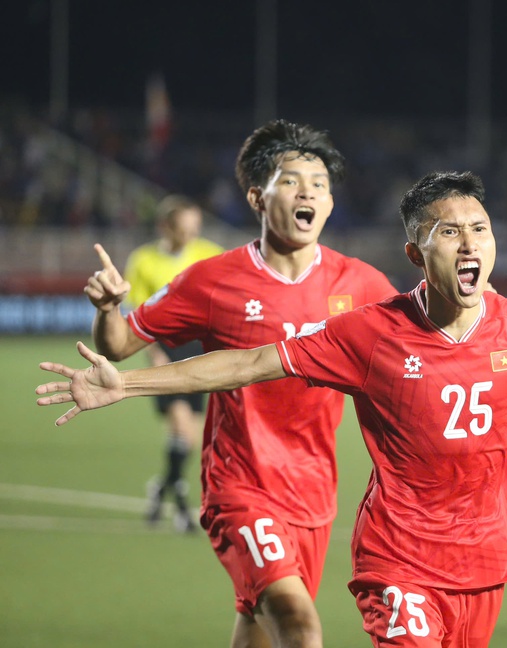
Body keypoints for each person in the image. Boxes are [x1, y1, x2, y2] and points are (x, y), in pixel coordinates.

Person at [37, 170, 507, 648]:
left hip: (486, 562)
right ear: (417, 254)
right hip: (399, 562)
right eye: (450, 232)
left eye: (480, 228)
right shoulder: (370, 332)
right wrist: (126, 383)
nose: (470, 242)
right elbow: (249, 361)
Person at [81, 120, 398, 648]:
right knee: (299, 627)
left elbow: (420, 352)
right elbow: (118, 344)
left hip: (315, 493)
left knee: (259, 630)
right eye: (293, 181)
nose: (309, 193)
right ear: (257, 196)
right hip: (240, 486)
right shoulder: (213, 280)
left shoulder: (361, 284)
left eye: (320, 184)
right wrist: (110, 308)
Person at [99, 194, 223, 532]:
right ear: (165, 227)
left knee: (188, 437)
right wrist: (153, 355)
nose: (191, 235)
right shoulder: (144, 260)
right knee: (183, 428)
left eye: (195, 228)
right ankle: (182, 506)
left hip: (200, 350)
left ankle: (161, 488)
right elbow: (136, 312)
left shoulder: (209, 254)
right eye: (184, 229)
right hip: (164, 349)